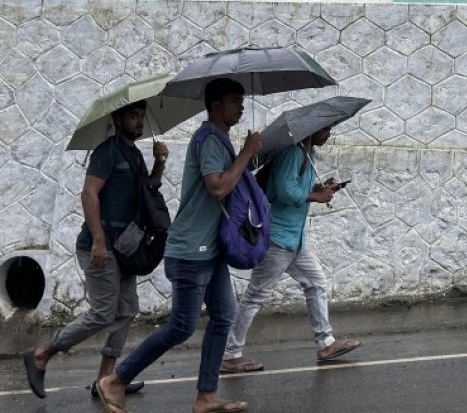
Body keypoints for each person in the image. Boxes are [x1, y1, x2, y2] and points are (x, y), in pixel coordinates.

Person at [96, 78, 261, 413]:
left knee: (224, 316)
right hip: (191, 250)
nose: (240, 106)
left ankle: (206, 396)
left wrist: (248, 157)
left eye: (242, 100)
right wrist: (246, 153)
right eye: (233, 100)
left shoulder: (220, 140)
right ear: (215, 105)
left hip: (210, 248)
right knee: (182, 326)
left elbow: (230, 185)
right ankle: (115, 380)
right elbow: (217, 188)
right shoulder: (209, 139)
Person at [22, 100, 167, 400]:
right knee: (103, 312)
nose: (139, 121)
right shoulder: (107, 152)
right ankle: (41, 354)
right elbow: (89, 194)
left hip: (125, 248)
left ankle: (106, 379)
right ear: (117, 119)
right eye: (132, 116)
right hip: (99, 247)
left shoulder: (135, 154)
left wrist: (160, 162)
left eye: (141, 116)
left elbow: (146, 189)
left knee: (126, 310)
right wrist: (99, 241)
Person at [221, 125, 360, 373]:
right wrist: (315, 197)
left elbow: (295, 187)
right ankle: (231, 353)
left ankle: (326, 343)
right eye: (326, 129)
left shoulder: (308, 154)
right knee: (256, 296)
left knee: (316, 282)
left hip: (295, 239)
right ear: (312, 129)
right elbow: (284, 191)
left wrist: (318, 188)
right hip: (278, 237)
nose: (329, 133)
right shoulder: (293, 154)